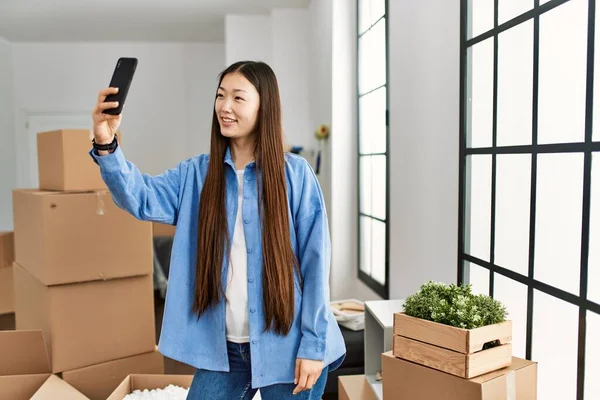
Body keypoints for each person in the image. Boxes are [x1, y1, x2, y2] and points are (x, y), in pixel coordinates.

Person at [90, 60, 346, 399]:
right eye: (220, 95)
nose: (224, 107)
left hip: (290, 344)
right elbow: (140, 198)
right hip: (225, 352)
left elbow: (316, 263)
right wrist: (106, 141)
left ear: (263, 106)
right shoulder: (195, 174)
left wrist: (314, 346)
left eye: (238, 98)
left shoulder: (295, 175)